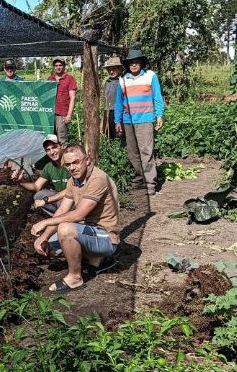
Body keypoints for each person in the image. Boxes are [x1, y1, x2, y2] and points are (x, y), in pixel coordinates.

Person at [30, 144, 119, 293]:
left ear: (87, 160)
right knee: (49, 246)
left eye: (76, 162)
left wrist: (45, 222)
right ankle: (95, 260)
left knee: (65, 229)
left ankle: (75, 278)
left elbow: (78, 215)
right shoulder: (74, 181)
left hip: (106, 237)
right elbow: (62, 209)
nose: (72, 168)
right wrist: (44, 236)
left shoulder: (98, 178)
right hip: (88, 231)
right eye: (68, 164)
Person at [115, 49, 165, 195]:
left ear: (141, 63)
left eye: (136, 62)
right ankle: (141, 177)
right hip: (128, 120)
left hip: (145, 119)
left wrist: (159, 115)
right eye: (131, 62)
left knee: (146, 150)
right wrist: (117, 121)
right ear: (128, 65)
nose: (134, 65)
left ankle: (150, 182)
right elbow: (119, 102)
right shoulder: (123, 79)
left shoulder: (150, 76)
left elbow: (157, 96)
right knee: (132, 153)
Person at [12, 134, 69, 216]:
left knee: (61, 203)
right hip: (61, 198)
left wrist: (47, 200)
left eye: (54, 147)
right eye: (48, 150)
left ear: (60, 145)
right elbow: (36, 186)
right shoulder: (50, 167)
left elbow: (72, 189)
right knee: (38, 196)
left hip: (74, 198)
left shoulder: (70, 163)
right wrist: (21, 180)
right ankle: (59, 216)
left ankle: (63, 219)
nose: (52, 152)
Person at [47, 58, 77, 146]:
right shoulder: (50, 79)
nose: (58, 67)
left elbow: (72, 98)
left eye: (60, 65)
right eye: (56, 65)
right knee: (50, 137)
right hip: (50, 113)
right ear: (54, 67)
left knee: (62, 138)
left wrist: (69, 115)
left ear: (64, 66)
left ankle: (64, 158)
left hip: (62, 114)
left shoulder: (70, 79)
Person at [101, 56, 123, 140]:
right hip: (107, 111)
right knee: (107, 135)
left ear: (119, 69)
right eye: (109, 69)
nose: (111, 71)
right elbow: (105, 99)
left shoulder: (122, 81)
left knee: (118, 133)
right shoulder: (107, 82)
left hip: (117, 111)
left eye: (114, 69)